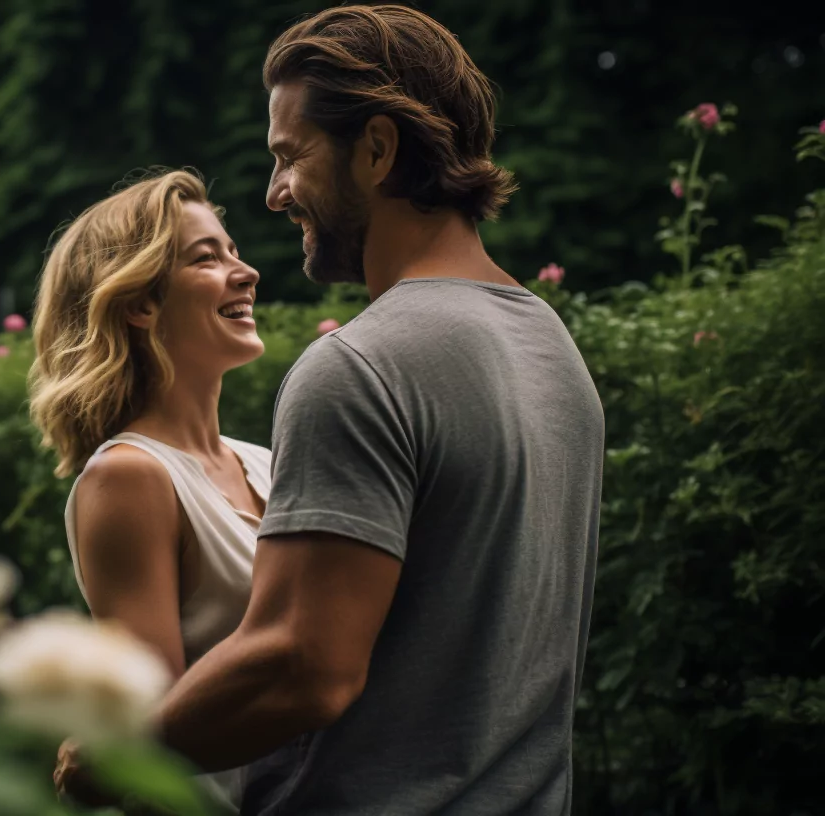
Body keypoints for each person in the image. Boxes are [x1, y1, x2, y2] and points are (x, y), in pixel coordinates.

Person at [144, 6, 605, 815]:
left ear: (379, 148)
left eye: (291, 157)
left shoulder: (359, 366)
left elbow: (303, 665)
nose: (275, 192)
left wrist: (122, 750)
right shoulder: (553, 348)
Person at [28, 169, 269, 811]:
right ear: (141, 303)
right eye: (206, 258)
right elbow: (153, 727)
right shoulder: (129, 477)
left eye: (233, 251)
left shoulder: (270, 463)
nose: (244, 273)